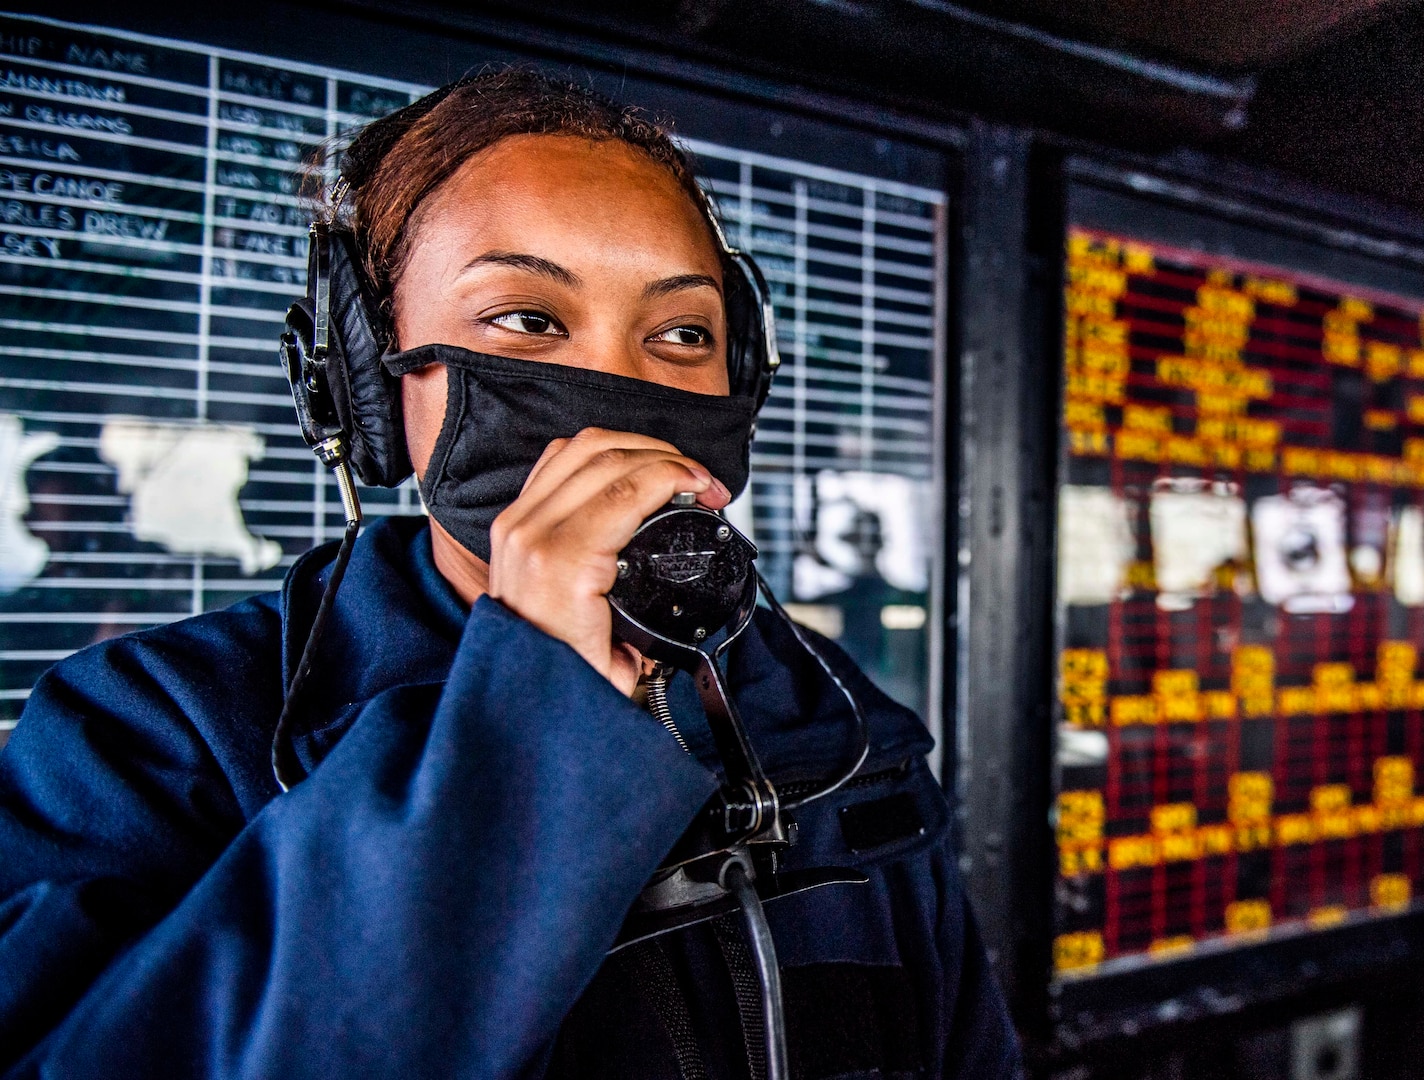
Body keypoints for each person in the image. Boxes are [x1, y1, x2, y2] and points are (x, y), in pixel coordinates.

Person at [0, 69, 1020, 1079]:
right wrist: (534, 712)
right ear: (365, 375)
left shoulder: (830, 712)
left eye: (682, 333)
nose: (621, 394)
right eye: (528, 320)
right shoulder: (149, 734)